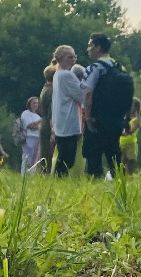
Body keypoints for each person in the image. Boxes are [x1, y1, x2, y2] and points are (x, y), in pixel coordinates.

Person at [81, 33, 130, 178]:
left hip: (97, 117)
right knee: (114, 152)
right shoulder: (120, 68)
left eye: (90, 45)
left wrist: (88, 118)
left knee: (93, 152)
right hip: (116, 118)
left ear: (98, 47)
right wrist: (126, 117)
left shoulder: (95, 68)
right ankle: (119, 180)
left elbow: (88, 94)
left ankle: (94, 181)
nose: (88, 49)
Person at [50, 45, 84, 176]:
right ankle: (59, 179)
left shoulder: (57, 75)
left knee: (63, 155)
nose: (73, 59)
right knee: (67, 159)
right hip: (68, 120)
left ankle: (59, 178)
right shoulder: (67, 75)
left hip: (60, 120)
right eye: (70, 57)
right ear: (60, 58)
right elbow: (80, 95)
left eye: (74, 56)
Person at [38, 63, 57, 170]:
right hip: (49, 123)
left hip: (43, 122)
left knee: (44, 152)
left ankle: (43, 172)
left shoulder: (45, 88)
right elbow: (51, 111)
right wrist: (53, 130)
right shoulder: (52, 90)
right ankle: (47, 173)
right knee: (49, 152)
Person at [119, 98, 141, 175]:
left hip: (131, 144)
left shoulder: (137, 119)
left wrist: (122, 132)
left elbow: (131, 130)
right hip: (121, 143)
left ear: (136, 107)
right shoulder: (124, 117)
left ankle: (130, 178)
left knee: (130, 162)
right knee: (121, 163)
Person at [19, 97, 43, 172]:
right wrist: (40, 122)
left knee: (35, 159)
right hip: (29, 137)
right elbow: (30, 126)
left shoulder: (37, 116)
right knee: (27, 157)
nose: (36, 104)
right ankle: (24, 175)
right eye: (34, 103)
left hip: (37, 138)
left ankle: (31, 175)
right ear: (29, 104)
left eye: (37, 103)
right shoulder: (25, 113)